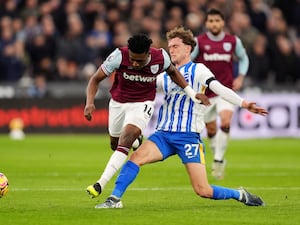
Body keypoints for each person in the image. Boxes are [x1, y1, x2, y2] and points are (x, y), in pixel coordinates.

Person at [94, 26, 268, 209]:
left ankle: (240, 194)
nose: (171, 49)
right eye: (170, 46)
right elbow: (141, 89)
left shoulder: (199, 70)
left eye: (176, 46)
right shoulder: (164, 76)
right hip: (164, 135)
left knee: (203, 190)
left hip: (188, 137)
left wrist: (243, 103)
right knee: (135, 158)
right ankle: (114, 199)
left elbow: (219, 88)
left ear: (188, 48)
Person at [84, 33, 208, 198]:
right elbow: (95, 79)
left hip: (142, 104)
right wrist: (89, 102)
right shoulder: (118, 56)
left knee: (125, 140)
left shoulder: (160, 57)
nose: (135, 63)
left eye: (139, 61)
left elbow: (173, 73)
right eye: (132, 59)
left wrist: (192, 93)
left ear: (148, 54)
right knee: (115, 144)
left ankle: (100, 183)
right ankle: (136, 140)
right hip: (118, 103)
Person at [191, 8, 250, 179]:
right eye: (211, 21)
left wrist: (240, 76)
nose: (214, 24)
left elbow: (244, 58)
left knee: (225, 122)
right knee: (211, 130)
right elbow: (189, 61)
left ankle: (218, 161)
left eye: (217, 20)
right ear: (206, 23)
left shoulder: (232, 41)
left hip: (225, 91)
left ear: (223, 22)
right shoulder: (199, 42)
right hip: (205, 94)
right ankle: (218, 155)